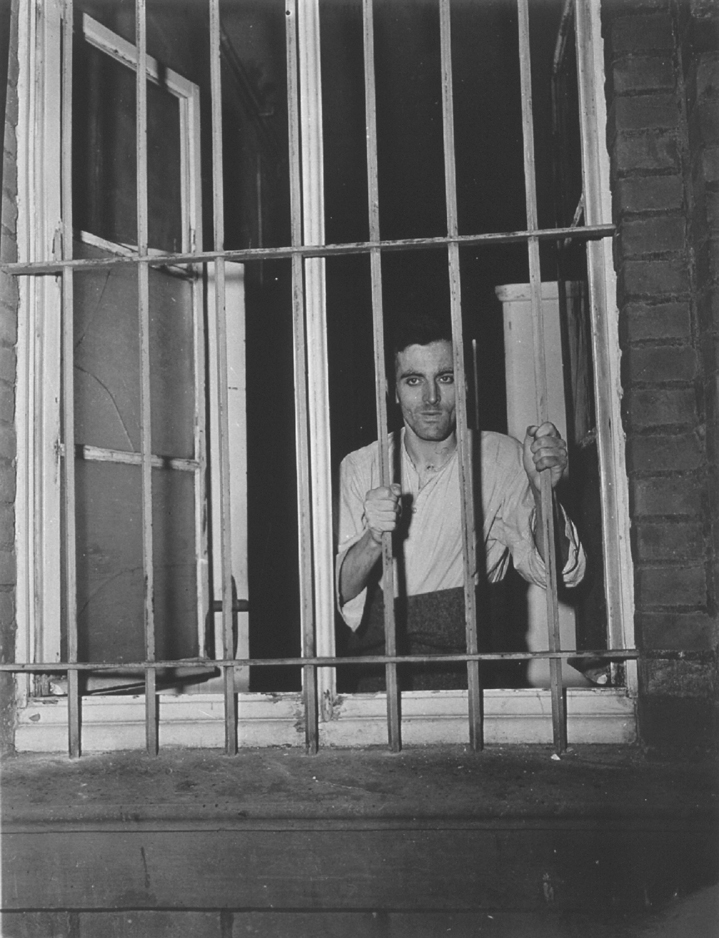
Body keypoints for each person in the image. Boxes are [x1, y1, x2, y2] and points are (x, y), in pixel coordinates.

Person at [335, 317, 586, 690]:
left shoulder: (501, 457)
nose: (431, 398)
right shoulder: (361, 465)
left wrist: (542, 492)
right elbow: (343, 590)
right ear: (394, 390)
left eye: (446, 378)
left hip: (474, 673)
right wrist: (373, 537)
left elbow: (559, 573)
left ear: (465, 384)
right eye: (414, 380)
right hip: (382, 674)